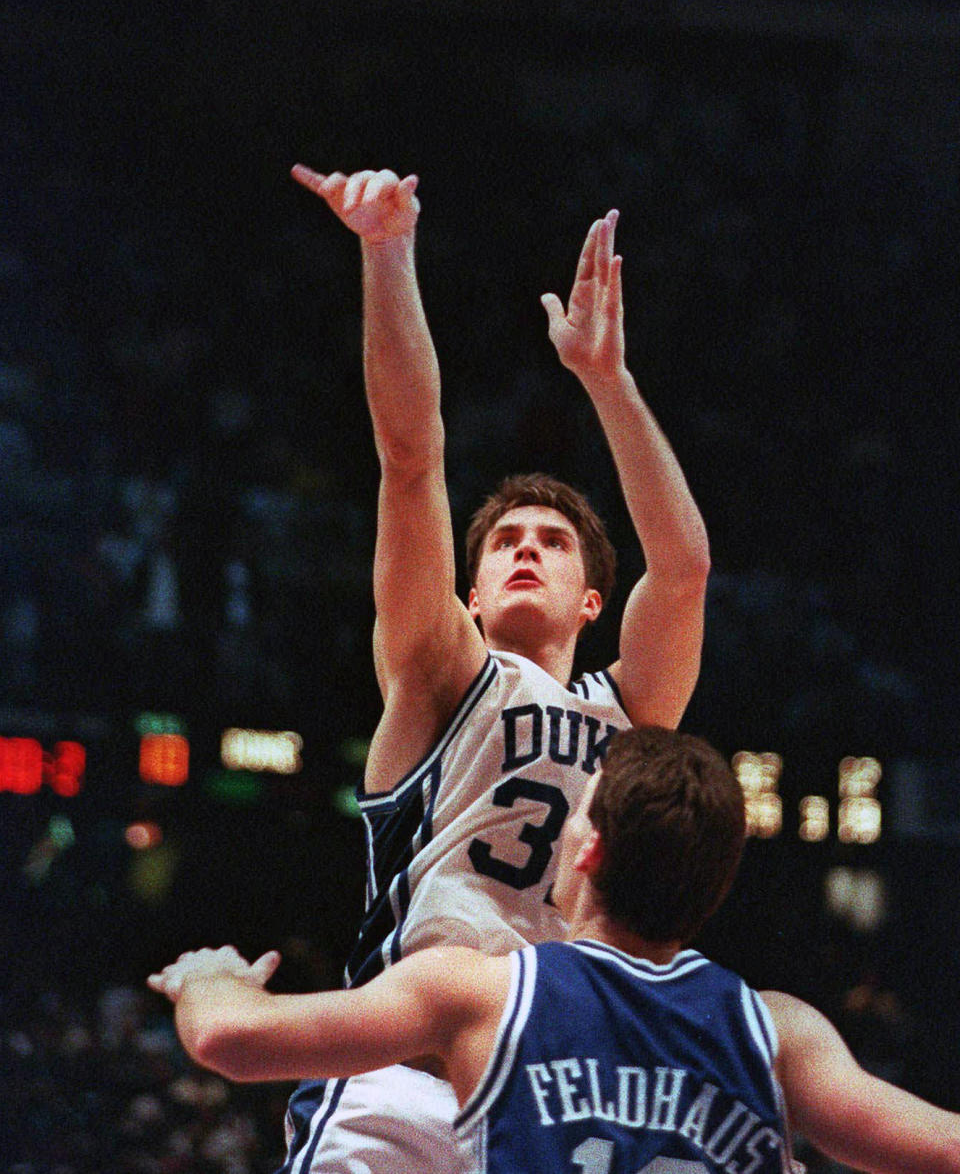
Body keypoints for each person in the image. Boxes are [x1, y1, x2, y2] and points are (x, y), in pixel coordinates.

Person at [271, 165, 712, 1170]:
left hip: (553, 1090)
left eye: (552, 541)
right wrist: (388, 252)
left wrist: (609, 380)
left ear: (592, 600)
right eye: (504, 538)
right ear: (468, 594)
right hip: (404, 1073)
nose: (523, 547)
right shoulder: (441, 673)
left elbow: (683, 567)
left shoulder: (628, 707)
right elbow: (411, 450)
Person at [149, 727, 960, 1174]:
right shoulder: (778, 1032)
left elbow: (229, 1037)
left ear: (588, 848)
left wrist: (210, 978)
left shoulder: (483, 992)